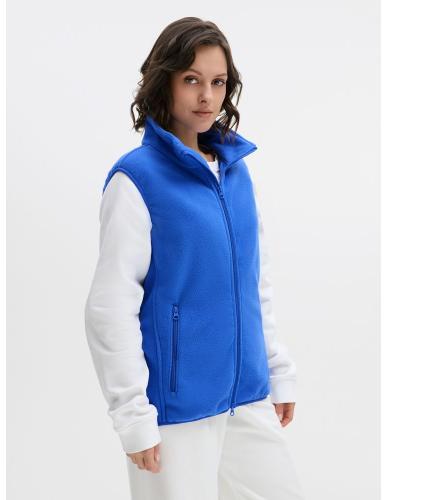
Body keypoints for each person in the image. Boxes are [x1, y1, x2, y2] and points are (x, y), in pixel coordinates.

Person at [84, 17, 306, 500]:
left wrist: (277, 370)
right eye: (191, 80)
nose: (207, 96)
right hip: (176, 410)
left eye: (218, 82)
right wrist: (132, 415)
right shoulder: (136, 180)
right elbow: (110, 306)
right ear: (163, 81)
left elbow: (254, 285)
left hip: (247, 396)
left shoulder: (236, 173)